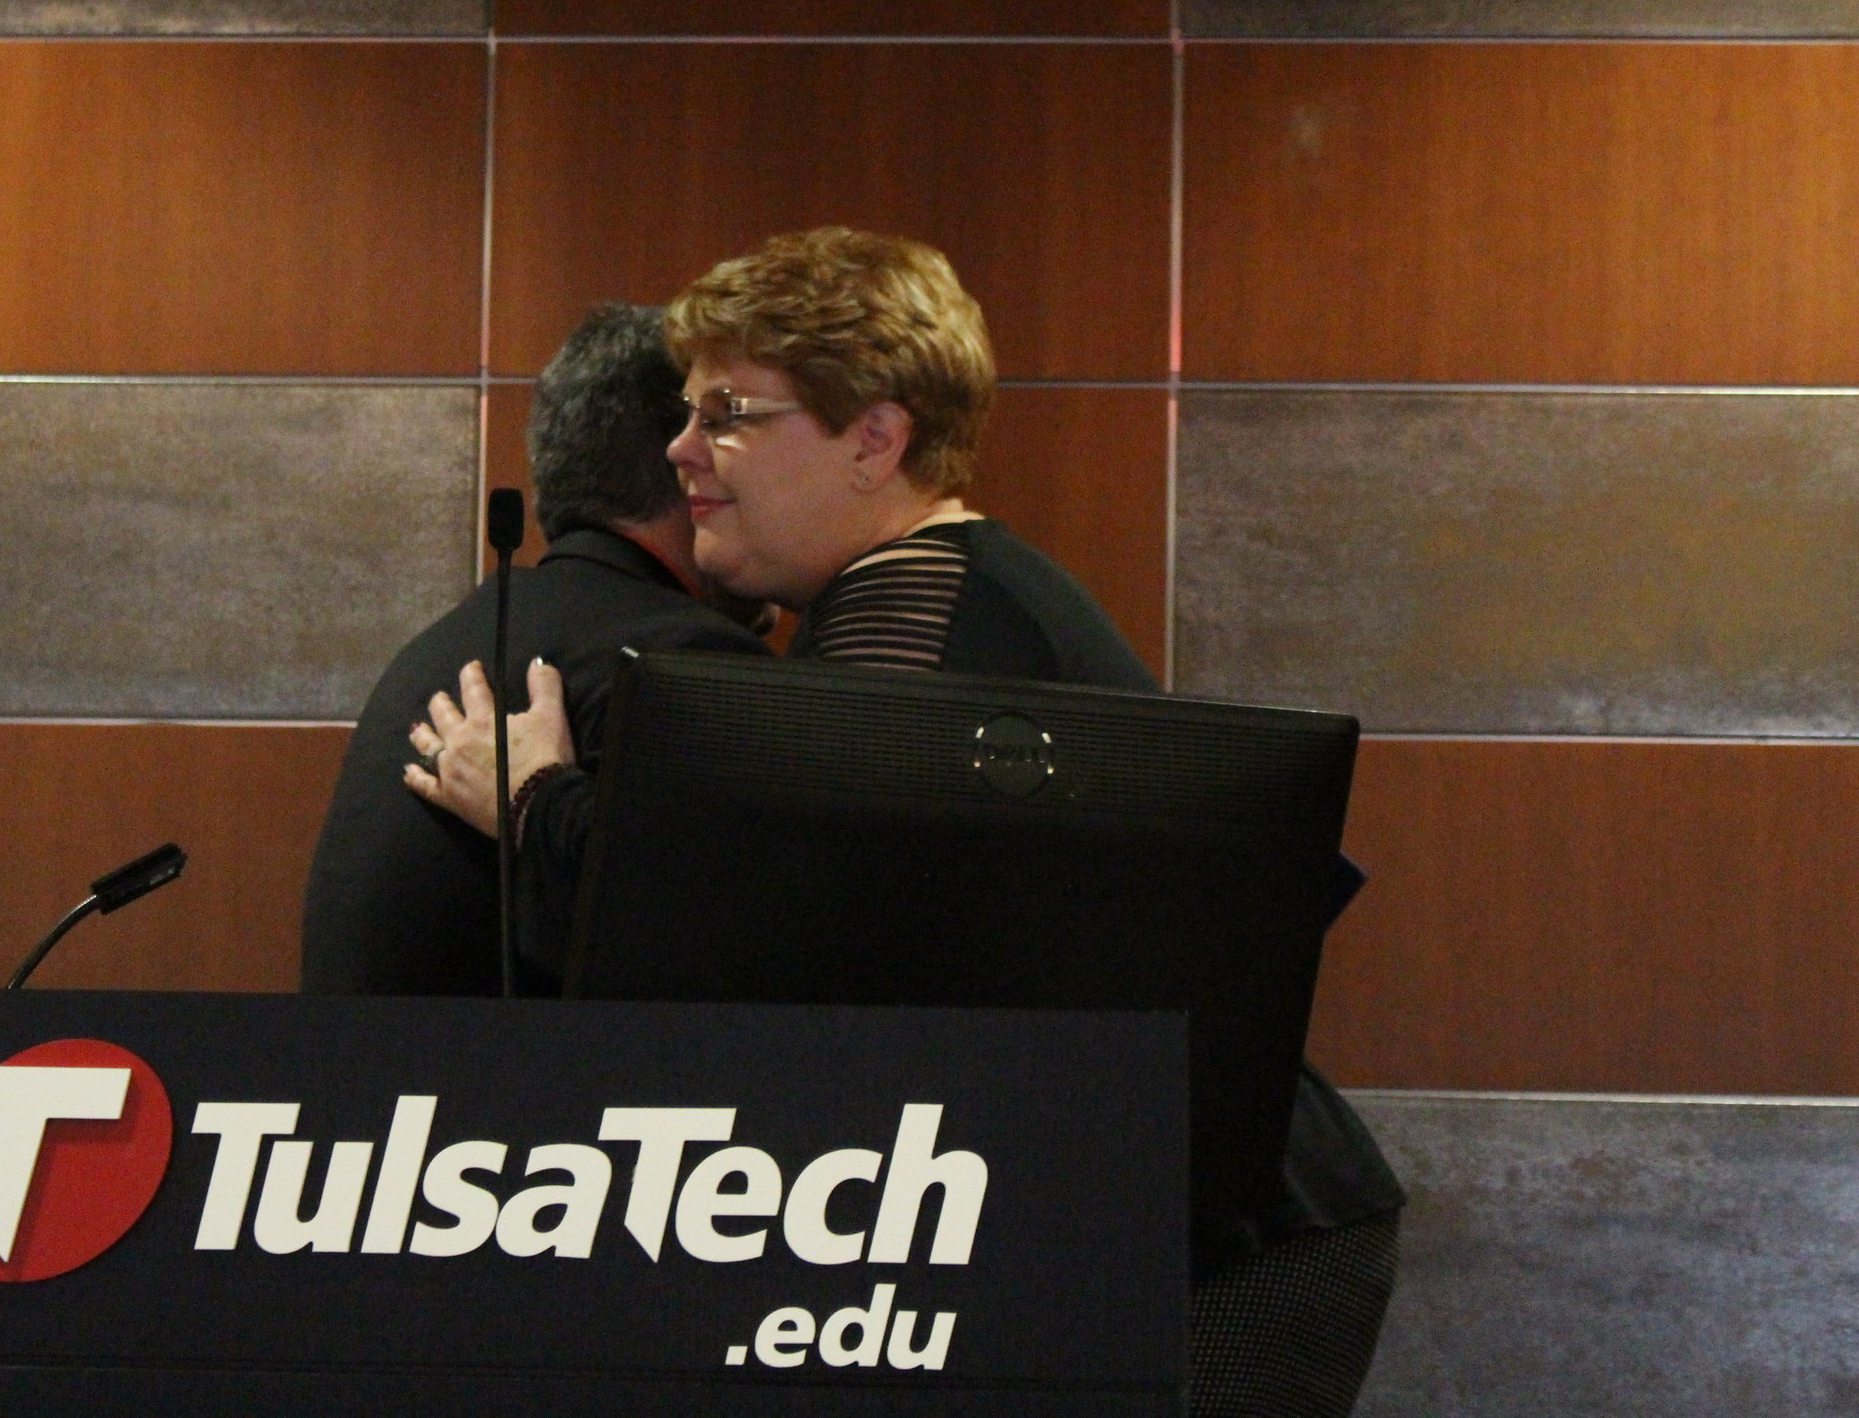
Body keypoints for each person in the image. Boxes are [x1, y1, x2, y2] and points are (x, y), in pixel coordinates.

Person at [410, 228, 1405, 1418]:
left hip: (1228, 1247)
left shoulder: (908, 610)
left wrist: (531, 794)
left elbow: (745, 931)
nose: (681, 451)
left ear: (874, 437)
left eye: (727, 412)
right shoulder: (948, 589)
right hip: (1205, 1225)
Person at [299, 304, 771, 998]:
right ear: (689, 463)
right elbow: (743, 966)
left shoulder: (445, 649)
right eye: (725, 427)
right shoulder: (682, 660)